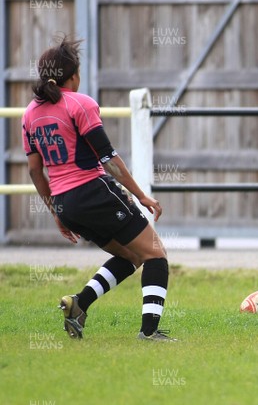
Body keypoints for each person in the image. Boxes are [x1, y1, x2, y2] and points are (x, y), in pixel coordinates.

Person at [22, 35, 175, 341]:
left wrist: (57, 212)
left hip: (67, 202)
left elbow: (35, 171)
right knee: (156, 255)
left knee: (132, 257)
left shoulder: (29, 115)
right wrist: (141, 194)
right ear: (73, 76)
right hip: (93, 191)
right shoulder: (80, 104)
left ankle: (79, 304)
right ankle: (149, 332)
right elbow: (108, 159)